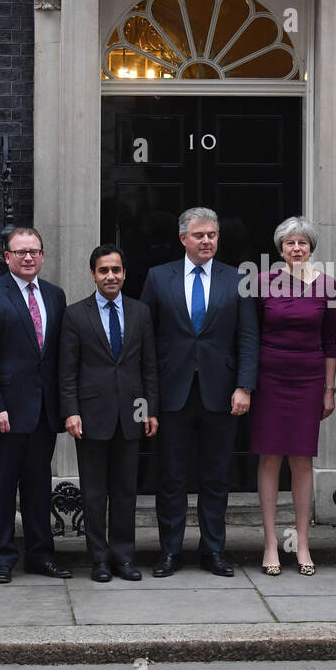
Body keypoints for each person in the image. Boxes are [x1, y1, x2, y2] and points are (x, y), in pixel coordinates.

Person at [140, 207, 258, 577]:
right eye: (199, 235)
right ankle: (170, 551)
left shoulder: (237, 278)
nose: (206, 240)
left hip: (221, 394)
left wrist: (244, 385)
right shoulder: (158, 278)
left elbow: (248, 337)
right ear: (183, 239)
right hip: (173, 393)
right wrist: (149, 399)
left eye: (212, 235)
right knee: (171, 477)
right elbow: (144, 339)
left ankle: (213, 551)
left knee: (215, 476)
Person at [0, 227, 69, 583]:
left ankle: (41, 556)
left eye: (34, 251)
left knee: (38, 486)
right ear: (6, 256)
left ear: (42, 256)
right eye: (20, 251)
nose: (28, 257)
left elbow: (58, 356)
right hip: (5, 413)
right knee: (0, 487)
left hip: (43, 411)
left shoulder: (55, 296)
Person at [59, 244, 159, 583]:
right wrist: (71, 412)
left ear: (124, 274)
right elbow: (67, 370)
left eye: (116, 270)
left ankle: (123, 557)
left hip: (132, 414)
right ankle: (99, 559)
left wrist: (151, 410)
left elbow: (149, 367)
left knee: (125, 490)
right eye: (104, 271)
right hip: (90, 416)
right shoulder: (75, 314)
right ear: (93, 275)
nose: (110, 276)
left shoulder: (140, 312)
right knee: (93, 492)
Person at [249, 217, 336, 576]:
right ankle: (271, 542)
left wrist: (329, 390)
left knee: (301, 461)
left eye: (303, 243)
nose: (297, 248)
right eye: (290, 243)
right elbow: (251, 336)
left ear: (311, 248)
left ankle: (302, 543)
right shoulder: (261, 284)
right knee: (269, 458)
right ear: (280, 249)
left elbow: (331, 342)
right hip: (270, 378)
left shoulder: (327, 286)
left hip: (309, 379)